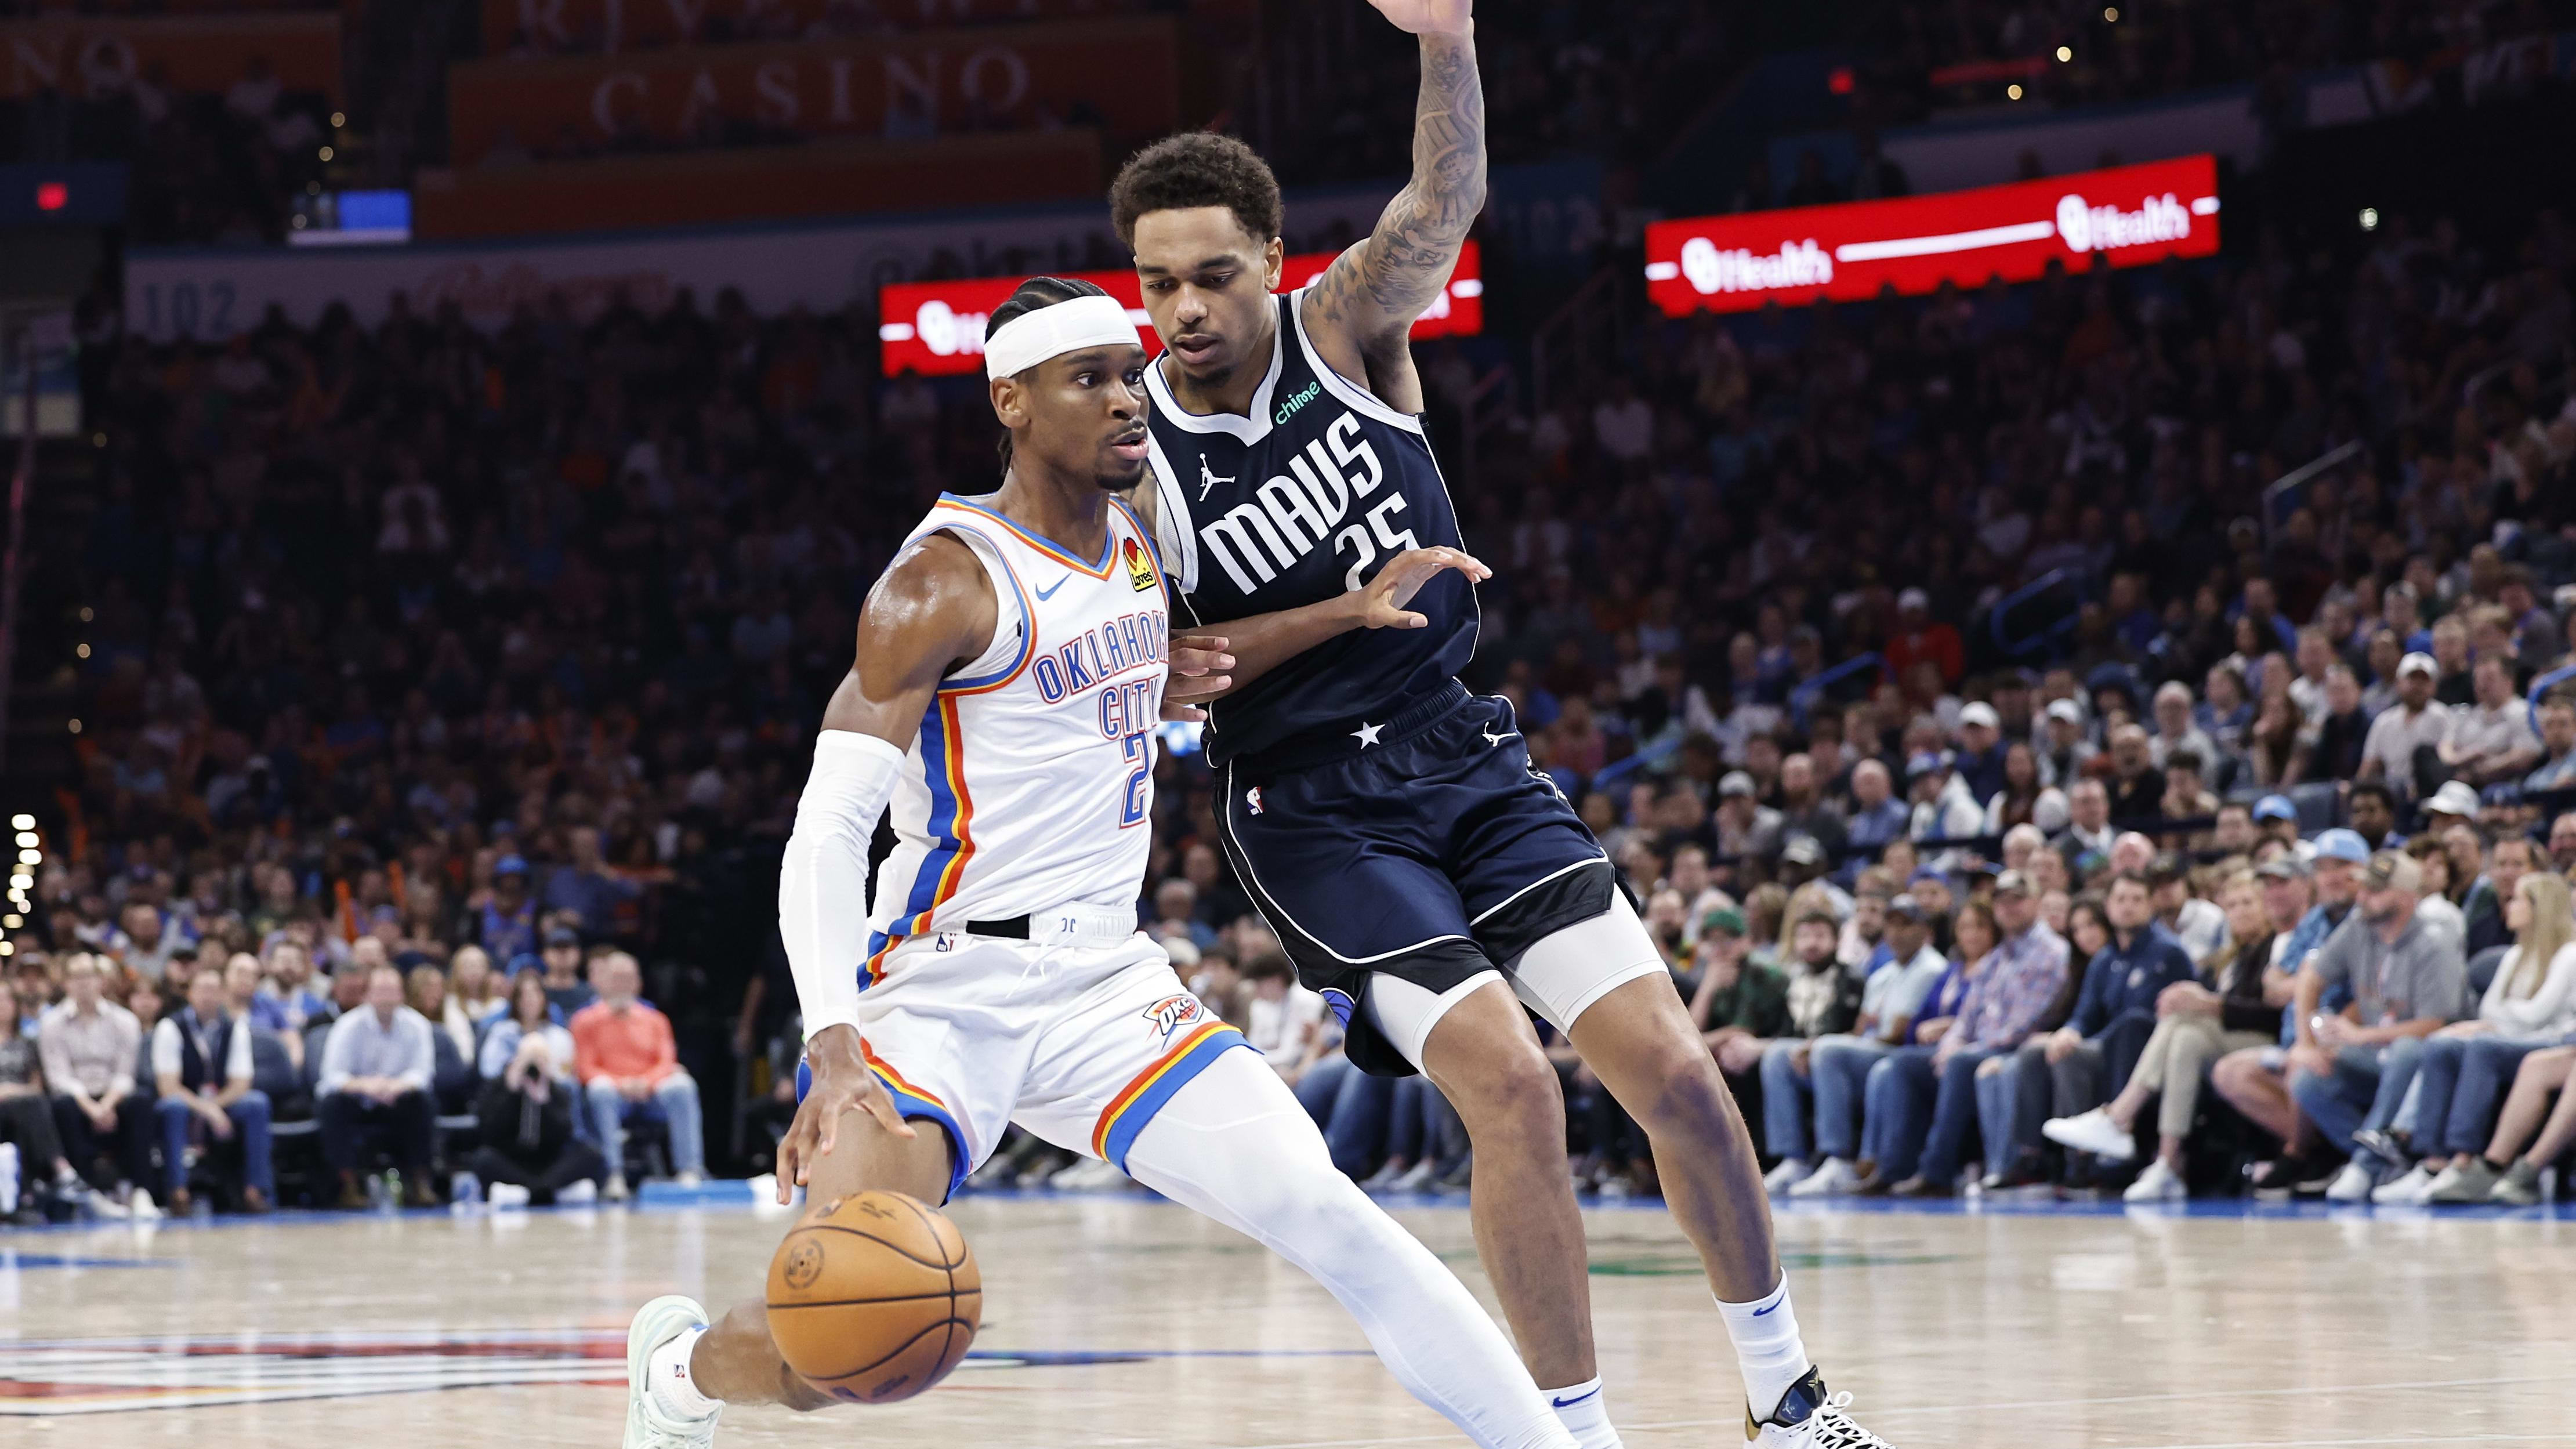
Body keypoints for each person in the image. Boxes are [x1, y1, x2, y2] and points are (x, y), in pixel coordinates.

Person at [626, 276, 1594, 1449]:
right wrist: (830, 1039)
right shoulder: (941, 581)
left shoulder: (1139, 537)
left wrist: (1345, 612)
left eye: (1130, 373)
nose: (1129, 400)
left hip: (1106, 986)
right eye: (1089, 379)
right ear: (1014, 401)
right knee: (836, 1332)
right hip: (939, 991)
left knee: (1332, 1215)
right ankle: (678, 1375)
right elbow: (827, 829)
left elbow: (1181, 656)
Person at [1113, 16, 1894, 1437]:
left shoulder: (1340, 327)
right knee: (1515, 1087)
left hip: (1462, 751)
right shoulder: (1127, 457)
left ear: (1272, 262)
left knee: (1674, 1068)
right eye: (1159, 281)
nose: (1184, 308)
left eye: (1214, 273)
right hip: (1313, 811)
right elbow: (1177, 666)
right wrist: (1346, 609)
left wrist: (1448, 40)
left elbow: (1443, 203)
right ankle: (1573, 1432)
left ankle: (1788, 1396)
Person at [2044, 870, 2283, 1201]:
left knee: (2176, 1022)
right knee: (2184, 1036)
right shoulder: (2230, 958)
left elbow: (2274, 1014)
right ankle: (2167, 1164)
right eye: (2232, 905)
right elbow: (2085, 1014)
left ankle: (2119, 1119)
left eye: (2248, 903)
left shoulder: (2277, 946)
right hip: (2207, 1042)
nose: (2240, 911)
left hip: (2268, 1041)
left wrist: (2209, 1004)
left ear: (2266, 906)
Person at [2375, 871, 2576, 1203]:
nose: (2509, 905)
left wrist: (2492, 1027)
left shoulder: (2567, 955)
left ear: (2541, 908)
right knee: (2444, 1045)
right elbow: (2490, 1008)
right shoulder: (2514, 955)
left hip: (2550, 1040)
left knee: (2482, 1046)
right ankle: (2434, 1162)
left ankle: (2465, 1158)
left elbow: (2538, 1013)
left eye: (2518, 899)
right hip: (2518, 1039)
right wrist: (2487, 1025)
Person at [2282, 852, 2467, 1201]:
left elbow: (2433, 1024)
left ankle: (2365, 1166)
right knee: (2307, 1078)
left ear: (2407, 896)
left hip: (2427, 1062)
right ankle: (2383, 1164)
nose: (2363, 897)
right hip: (2372, 1054)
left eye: (2376, 891)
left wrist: (2362, 1035)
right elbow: (2310, 978)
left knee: (2406, 1051)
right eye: (2364, 887)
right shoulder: (2358, 927)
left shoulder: (2436, 940)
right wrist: (2305, 1044)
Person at [1876, 872, 2067, 1196]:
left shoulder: (2050, 951)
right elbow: (1967, 1017)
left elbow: (2027, 1022)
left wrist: (1966, 1049)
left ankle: (1936, 1172)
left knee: (1962, 1062)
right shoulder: (1997, 956)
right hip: (1977, 1048)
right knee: (1904, 1063)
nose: (2009, 907)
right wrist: (1951, 1044)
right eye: (2002, 901)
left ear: (2035, 902)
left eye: (2017, 899)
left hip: (2016, 1049)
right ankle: (1893, 1169)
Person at [2003, 871, 2196, 1183]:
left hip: (2146, 1058)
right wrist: (2070, 1032)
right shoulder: (2103, 960)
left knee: (2096, 1043)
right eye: (2121, 899)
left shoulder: (2170, 953)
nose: (2128, 907)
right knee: (2035, 1053)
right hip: (2104, 1047)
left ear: (2151, 906)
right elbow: (2085, 1014)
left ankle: (2083, 1160)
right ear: (2108, 906)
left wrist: (2080, 1042)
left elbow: (2169, 1017)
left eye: (2138, 900)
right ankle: (2032, 1157)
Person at [1786, 894, 1947, 1198]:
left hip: (1905, 1053)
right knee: (1791, 1055)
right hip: (1874, 1049)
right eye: (1892, 926)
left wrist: (1827, 1042)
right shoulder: (1882, 973)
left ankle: (1838, 1156)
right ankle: (1793, 1158)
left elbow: (1898, 1033)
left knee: (1829, 1052)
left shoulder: (1931, 967)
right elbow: (1862, 1028)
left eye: (1907, 925)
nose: (1898, 934)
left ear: (1925, 931)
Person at [470, 968, 608, 1208]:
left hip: (549, 1160)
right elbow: (489, 1132)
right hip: (512, 1158)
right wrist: (512, 1087)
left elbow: (564, 1133)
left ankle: (532, 1191)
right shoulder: (500, 1086)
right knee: (483, 1160)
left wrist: (544, 1095)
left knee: (591, 1155)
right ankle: (548, 1191)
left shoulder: (555, 1090)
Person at [572, 951, 707, 1198]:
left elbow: (667, 1061)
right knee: (599, 1088)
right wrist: (621, 1084)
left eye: (628, 978)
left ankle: (689, 1170)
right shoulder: (585, 1021)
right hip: (613, 1096)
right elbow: (585, 1068)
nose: (622, 984)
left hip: (651, 1094)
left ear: (638, 983)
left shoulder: (656, 1020)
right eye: (616, 978)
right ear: (603, 981)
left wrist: (647, 1082)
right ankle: (613, 1175)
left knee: (682, 1085)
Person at [150, 965, 275, 1213]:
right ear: (191, 994)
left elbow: (241, 1083)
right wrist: (207, 1110)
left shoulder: (235, 1027)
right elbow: (168, 1086)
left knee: (256, 1103)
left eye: (215, 990)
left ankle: (255, 1190)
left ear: (224, 994)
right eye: (203, 989)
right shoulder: (170, 1027)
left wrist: (214, 1108)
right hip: (184, 1101)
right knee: (173, 1107)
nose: (209, 996)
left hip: (221, 1101)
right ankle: (179, 1192)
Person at [316, 961, 440, 1209]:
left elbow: (423, 1073)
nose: (386, 997)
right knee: (331, 1105)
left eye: (391, 990)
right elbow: (331, 1076)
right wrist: (365, 1085)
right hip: (358, 1099)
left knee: (423, 1102)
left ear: (402, 994)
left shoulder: (418, 1026)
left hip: (398, 1098)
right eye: (380, 990)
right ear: (368, 994)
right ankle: (347, 1186)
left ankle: (420, 1182)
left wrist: (396, 1086)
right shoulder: (347, 1026)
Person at [38, 952, 153, 1208]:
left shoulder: (125, 1020)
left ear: (100, 981)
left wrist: (107, 1105)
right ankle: (89, 1193)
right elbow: (59, 1076)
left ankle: (141, 1190)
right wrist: (91, 1107)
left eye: (89, 976)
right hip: (76, 1098)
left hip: (113, 1095)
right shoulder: (50, 1023)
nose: (83, 983)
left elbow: (125, 1074)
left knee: (141, 1102)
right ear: (66, 983)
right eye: (76, 977)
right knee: (63, 1107)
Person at [0, 979, 85, 1210]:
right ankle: (61, 1170)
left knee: (34, 1105)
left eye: (7, 999)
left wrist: (9, 1090)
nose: (3, 1004)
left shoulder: (28, 1042)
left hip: (20, 1105)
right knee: (32, 1106)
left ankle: (30, 1190)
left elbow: (37, 1087)